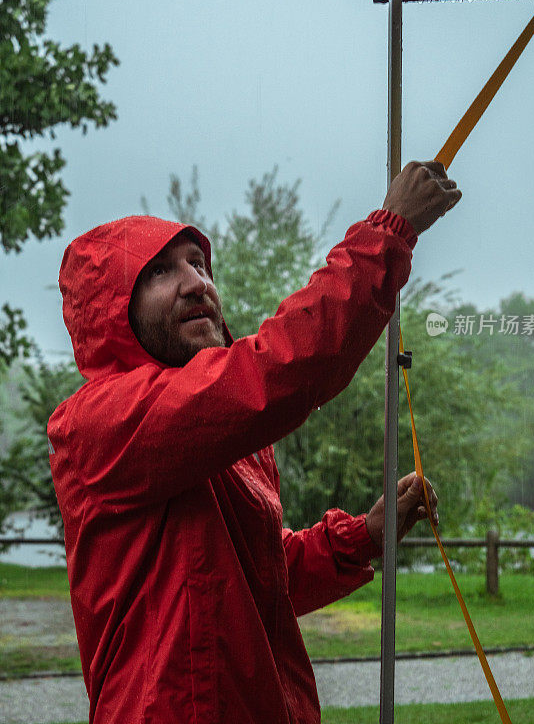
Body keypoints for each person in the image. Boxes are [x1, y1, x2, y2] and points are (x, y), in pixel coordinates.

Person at [48, 160, 460, 723]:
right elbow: (278, 371)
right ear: (113, 310)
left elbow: (261, 574)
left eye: (199, 264)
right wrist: (388, 232)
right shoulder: (102, 422)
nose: (198, 283)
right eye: (162, 272)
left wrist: (362, 536)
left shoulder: (219, 431)